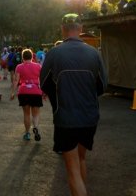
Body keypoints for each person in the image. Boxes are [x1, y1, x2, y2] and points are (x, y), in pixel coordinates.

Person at [40, 13, 107, 196]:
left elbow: (44, 84)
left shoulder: (54, 53)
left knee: (72, 169)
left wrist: (59, 99)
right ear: (81, 29)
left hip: (66, 117)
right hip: (89, 116)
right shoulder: (94, 53)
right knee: (81, 159)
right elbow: (102, 86)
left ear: (62, 29)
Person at [10, 48, 43, 141]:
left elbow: (16, 80)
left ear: (23, 57)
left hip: (24, 91)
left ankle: (27, 133)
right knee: (36, 114)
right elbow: (41, 80)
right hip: (36, 91)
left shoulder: (19, 67)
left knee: (26, 114)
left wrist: (13, 92)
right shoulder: (38, 66)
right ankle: (35, 127)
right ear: (32, 57)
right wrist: (43, 91)